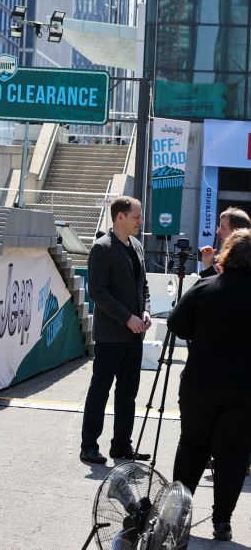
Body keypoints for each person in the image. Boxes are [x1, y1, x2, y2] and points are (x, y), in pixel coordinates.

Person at [168, 228, 251, 542]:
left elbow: (177, 324)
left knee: (192, 445)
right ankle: (222, 522)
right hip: (246, 386)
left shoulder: (206, 287)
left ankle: (179, 517)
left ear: (226, 255)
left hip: (201, 380)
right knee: (234, 452)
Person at [80, 196, 152, 465]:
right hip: (111, 335)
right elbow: (97, 291)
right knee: (100, 390)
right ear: (119, 217)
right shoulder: (102, 248)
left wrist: (144, 310)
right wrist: (127, 318)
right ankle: (89, 446)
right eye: (136, 216)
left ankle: (121, 445)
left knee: (128, 393)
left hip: (135, 334)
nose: (140, 221)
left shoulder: (137, 246)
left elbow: (142, 286)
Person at [199, 207, 251, 277]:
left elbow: (225, 285)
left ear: (236, 231)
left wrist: (208, 266)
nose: (218, 231)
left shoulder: (242, 261)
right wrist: (208, 265)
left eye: (222, 227)